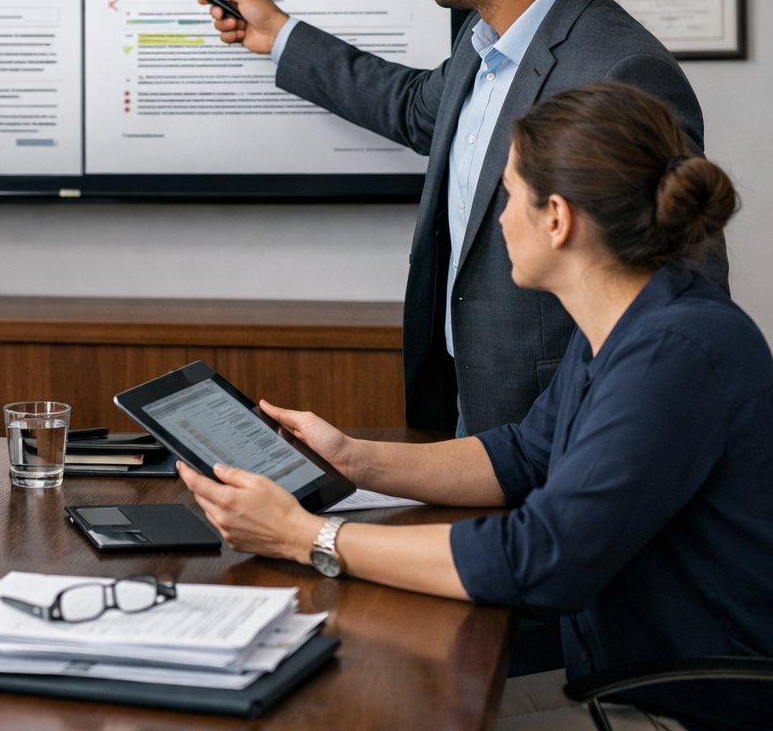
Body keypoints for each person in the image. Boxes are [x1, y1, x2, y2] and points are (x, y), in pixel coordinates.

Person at [179, 82, 773, 731]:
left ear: (557, 217)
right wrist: (352, 460)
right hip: (613, 670)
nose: (498, 218)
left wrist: (306, 536)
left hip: (682, 707)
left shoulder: (676, 352)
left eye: (509, 194)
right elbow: (526, 453)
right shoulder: (631, 317)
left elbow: (537, 560)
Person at [202, 0, 721, 434]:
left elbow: (685, 291)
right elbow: (415, 107)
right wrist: (279, 34)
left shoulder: (622, 67)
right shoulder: (483, 43)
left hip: (566, 423)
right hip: (464, 404)